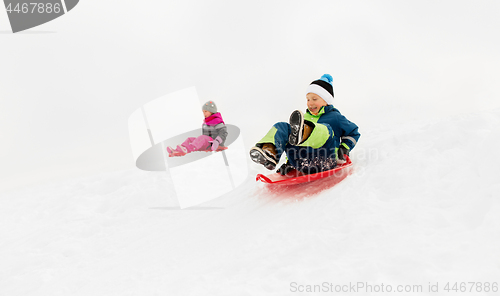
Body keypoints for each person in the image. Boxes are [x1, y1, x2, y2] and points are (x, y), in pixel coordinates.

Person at [249, 74, 360, 175]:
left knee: (326, 129)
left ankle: (305, 132)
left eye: (314, 99)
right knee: (283, 127)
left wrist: (344, 148)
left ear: (326, 100)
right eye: (308, 99)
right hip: (302, 162)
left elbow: (353, 132)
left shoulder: (336, 117)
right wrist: (289, 163)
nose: (310, 103)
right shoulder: (304, 118)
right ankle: (270, 153)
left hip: (325, 160)